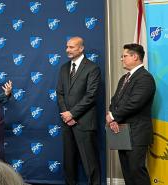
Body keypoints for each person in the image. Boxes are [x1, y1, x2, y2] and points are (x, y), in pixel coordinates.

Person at [106, 44, 155, 185]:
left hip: (137, 133)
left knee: (136, 171)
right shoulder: (124, 78)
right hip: (121, 131)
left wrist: (113, 116)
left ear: (135, 57)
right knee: (127, 172)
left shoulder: (145, 78)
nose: (122, 59)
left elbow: (135, 103)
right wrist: (113, 118)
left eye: (124, 56)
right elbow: (115, 101)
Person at [56, 36, 101, 185]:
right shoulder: (63, 68)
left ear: (81, 48)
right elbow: (60, 93)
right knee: (69, 162)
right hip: (67, 122)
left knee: (90, 162)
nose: (67, 50)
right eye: (67, 47)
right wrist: (66, 115)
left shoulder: (92, 68)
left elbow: (91, 95)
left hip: (84, 122)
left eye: (71, 47)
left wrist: (73, 114)